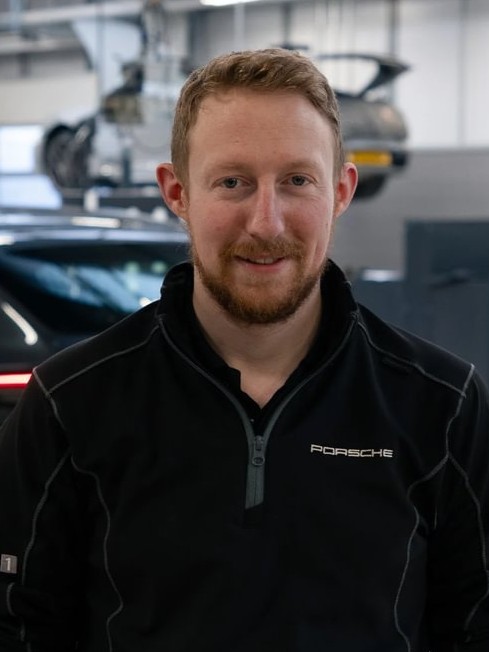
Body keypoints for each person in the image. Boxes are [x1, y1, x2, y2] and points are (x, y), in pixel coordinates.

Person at [0, 48, 488, 652]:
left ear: (340, 191)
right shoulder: (70, 404)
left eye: (297, 181)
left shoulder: (442, 406)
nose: (266, 223)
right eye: (233, 182)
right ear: (177, 192)